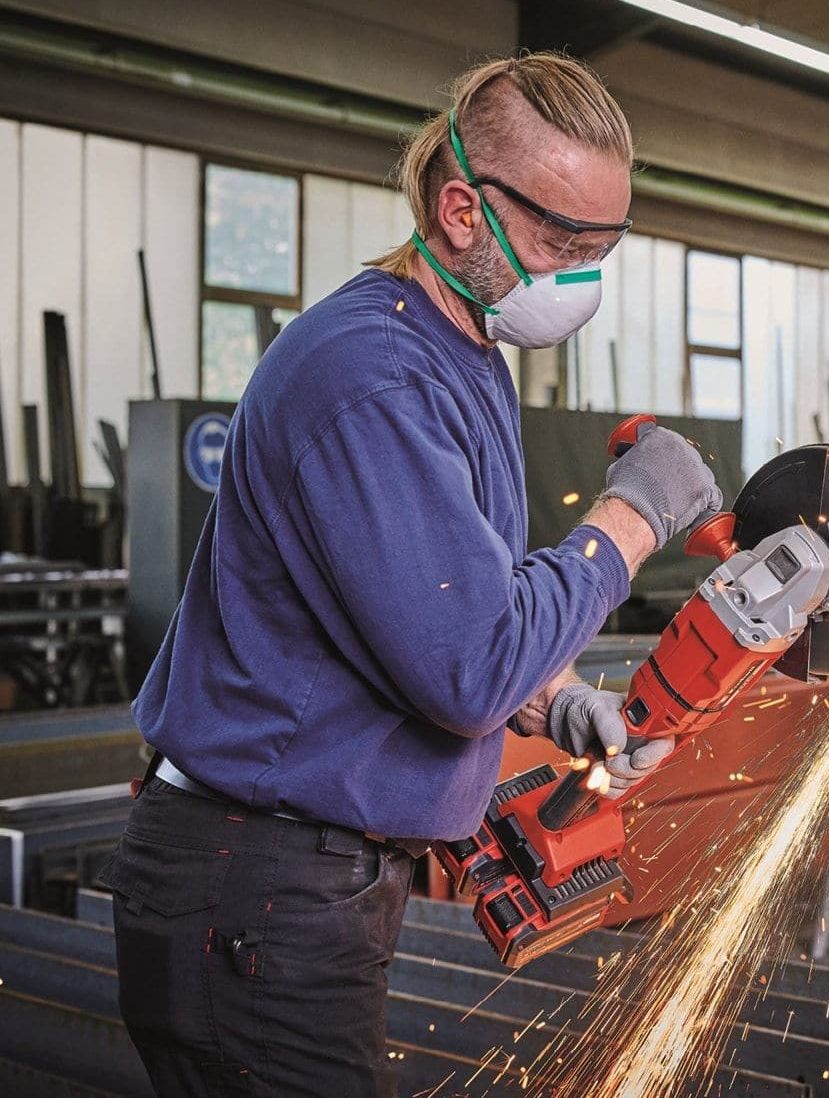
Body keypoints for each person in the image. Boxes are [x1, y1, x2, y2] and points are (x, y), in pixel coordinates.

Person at [98, 53, 720, 1097]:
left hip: (295, 887)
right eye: (560, 243)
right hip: (256, 890)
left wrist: (553, 694)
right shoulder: (374, 375)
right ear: (463, 211)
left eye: (601, 249)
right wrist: (629, 517)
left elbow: (426, 600)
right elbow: (463, 666)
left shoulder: (455, 353)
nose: (581, 277)